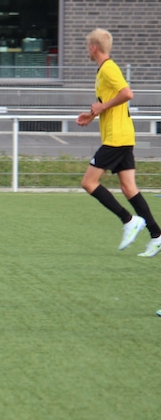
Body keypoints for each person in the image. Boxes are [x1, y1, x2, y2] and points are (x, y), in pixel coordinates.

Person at [76, 28, 161, 256]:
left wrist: (101, 107)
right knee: (128, 188)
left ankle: (128, 220)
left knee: (88, 183)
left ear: (94, 48)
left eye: (87, 46)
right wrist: (91, 115)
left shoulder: (108, 68)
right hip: (122, 136)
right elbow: (110, 101)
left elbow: (127, 93)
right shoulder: (103, 70)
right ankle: (157, 235)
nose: (87, 50)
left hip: (116, 138)